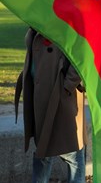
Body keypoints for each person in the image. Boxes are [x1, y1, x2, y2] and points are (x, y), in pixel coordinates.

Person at [15, 27, 87, 183]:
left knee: (73, 154)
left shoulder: (66, 21)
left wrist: (67, 85)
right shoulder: (38, 20)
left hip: (63, 98)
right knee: (44, 151)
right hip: (42, 97)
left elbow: (82, 55)